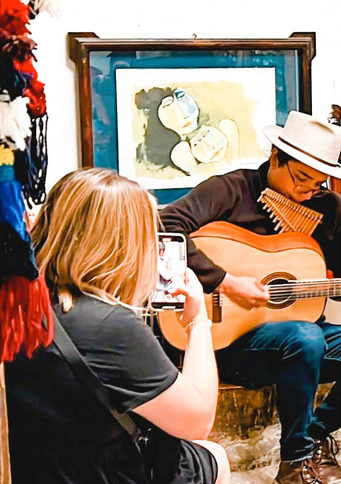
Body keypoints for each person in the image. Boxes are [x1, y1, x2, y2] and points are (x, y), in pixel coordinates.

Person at [160, 111, 341, 484]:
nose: (308, 192)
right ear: (275, 158)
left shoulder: (329, 208)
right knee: (305, 337)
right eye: (302, 179)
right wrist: (225, 281)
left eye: (318, 184)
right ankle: (295, 462)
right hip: (231, 340)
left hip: (303, 336)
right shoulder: (230, 190)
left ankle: (314, 437)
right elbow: (164, 229)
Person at [5, 168, 230, 484]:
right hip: (97, 471)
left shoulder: (18, 302)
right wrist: (197, 322)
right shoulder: (108, 325)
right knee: (213, 455)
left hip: (34, 466)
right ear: (122, 247)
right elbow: (198, 419)